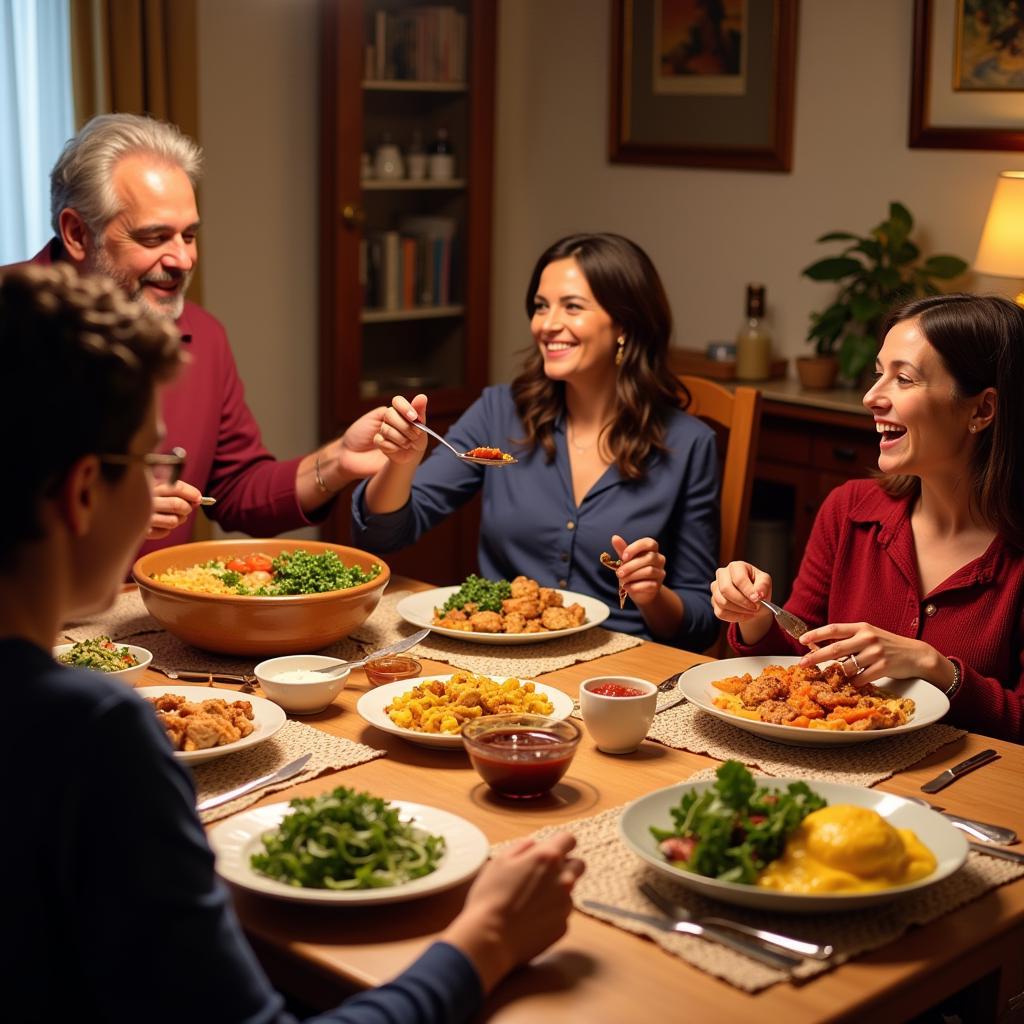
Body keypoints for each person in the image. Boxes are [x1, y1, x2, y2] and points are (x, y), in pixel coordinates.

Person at [1, 263, 584, 1022]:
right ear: (82, 494)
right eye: (152, 460)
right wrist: (487, 941)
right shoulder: (91, 736)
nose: (162, 488)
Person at [14, 112, 385, 554]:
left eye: (188, 236)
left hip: (146, 617)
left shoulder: (204, 338)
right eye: (155, 238)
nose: (183, 260)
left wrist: (338, 459)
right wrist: (96, 509)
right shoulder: (9, 320)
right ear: (77, 234)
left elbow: (237, 488)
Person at [352, 232, 719, 648]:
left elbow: (701, 625)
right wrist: (401, 463)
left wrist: (652, 595)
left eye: (572, 307)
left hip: (622, 667)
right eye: (541, 306)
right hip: (499, 659)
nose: (546, 324)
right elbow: (382, 535)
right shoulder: (498, 412)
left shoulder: (690, 445)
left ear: (625, 324)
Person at [711, 293, 1024, 743]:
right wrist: (754, 615)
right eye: (880, 374)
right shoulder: (849, 509)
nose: (871, 397)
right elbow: (801, 658)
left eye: (904, 379)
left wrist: (936, 668)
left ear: (981, 410)